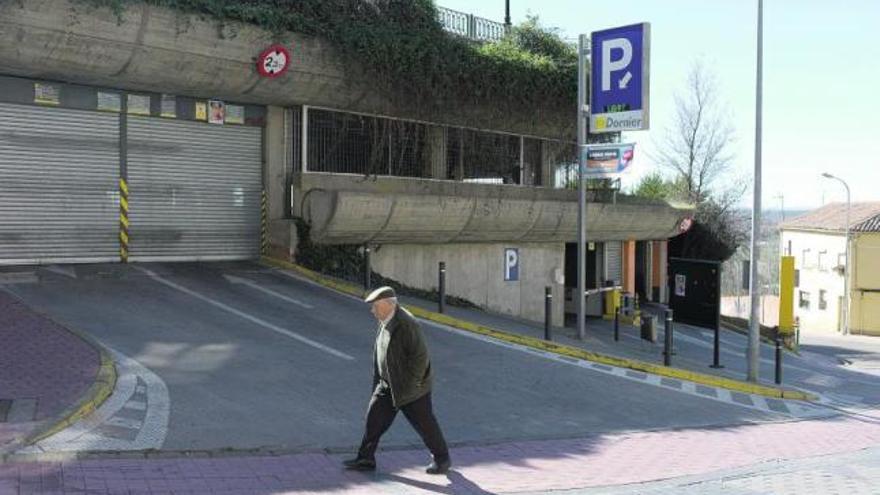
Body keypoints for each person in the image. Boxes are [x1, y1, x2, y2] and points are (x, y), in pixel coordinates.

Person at [343, 286, 451, 475]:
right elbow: (381, 351)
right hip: (387, 385)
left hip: (412, 389)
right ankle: (366, 458)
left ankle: (442, 459)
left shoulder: (407, 324)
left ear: (388, 304)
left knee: (425, 425)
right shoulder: (385, 320)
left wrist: (412, 385)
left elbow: (420, 358)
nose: (372, 310)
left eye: (376, 306)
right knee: (373, 420)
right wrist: (378, 380)